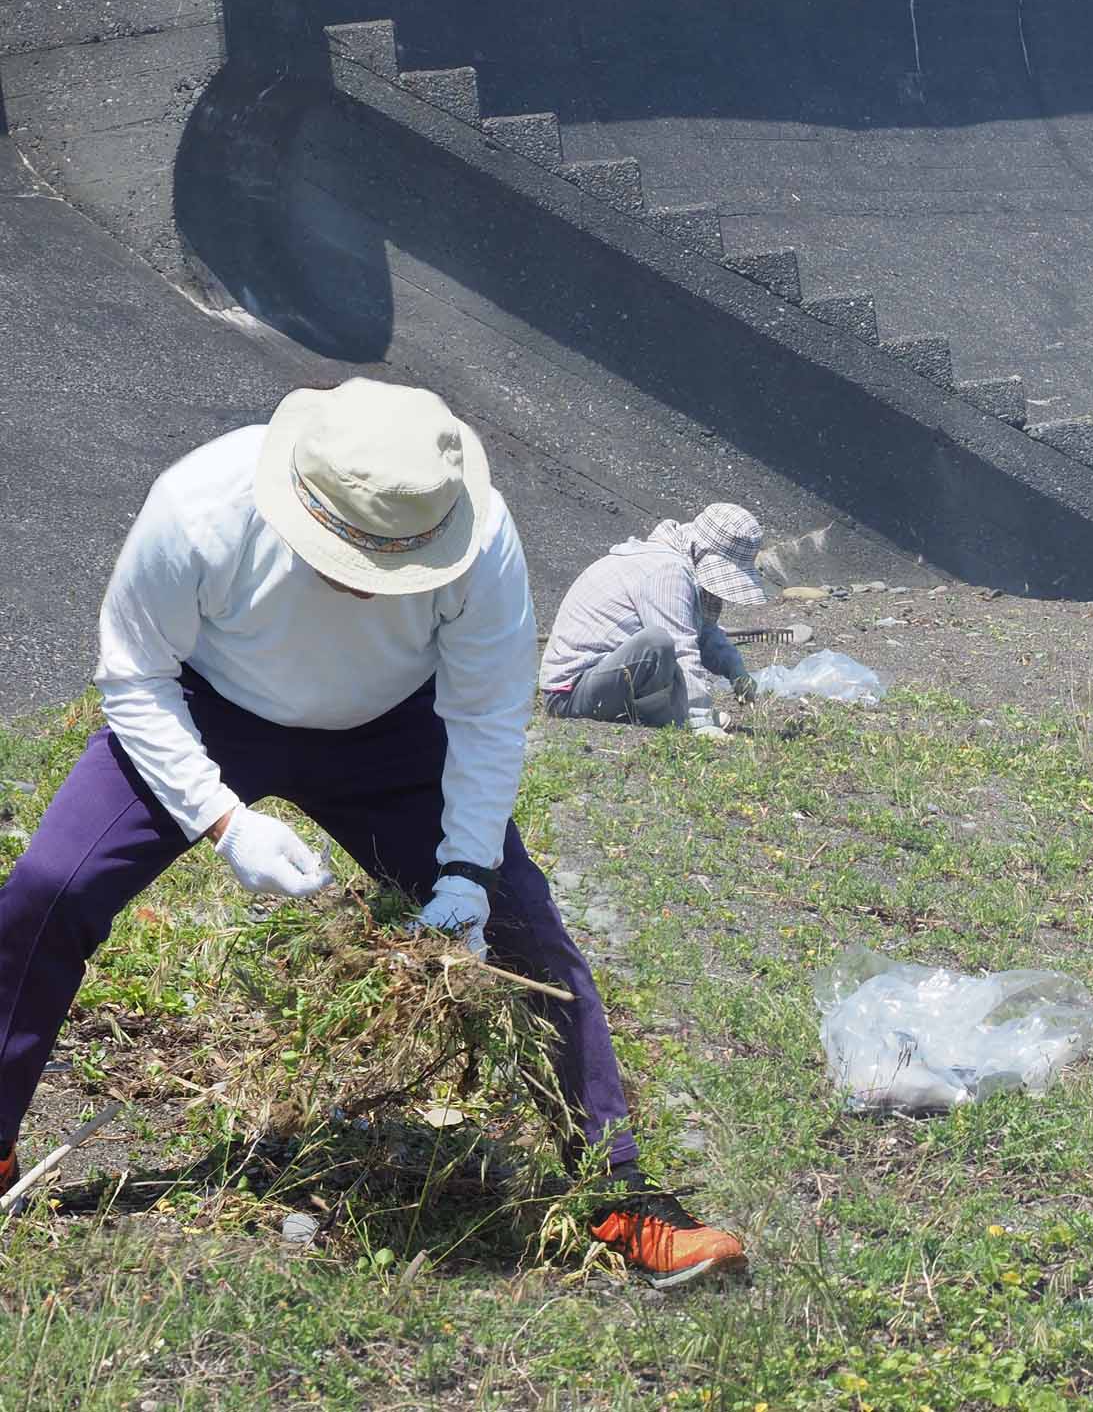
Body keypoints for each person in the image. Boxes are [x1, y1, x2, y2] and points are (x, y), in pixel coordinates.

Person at [0, 380, 746, 1286]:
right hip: (207, 708)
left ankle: (621, 1194)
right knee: (50, 891)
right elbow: (135, 676)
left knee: (525, 934)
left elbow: (482, 714)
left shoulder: (482, 537)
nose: (366, 586)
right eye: (347, 558)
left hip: (390, 737)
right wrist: (225, 820)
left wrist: (468, 869)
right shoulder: (199, 506)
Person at [539, 505, 770, 739]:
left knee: (660, 643)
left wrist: (735, 670)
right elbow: (682, 646)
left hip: (601, 682)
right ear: (702, 552)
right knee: (656, 642)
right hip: (569, 695)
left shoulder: (675, 562)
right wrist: (700, 719)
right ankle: (678, 716)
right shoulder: (666, 570)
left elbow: (702, 630)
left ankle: (671, 711)